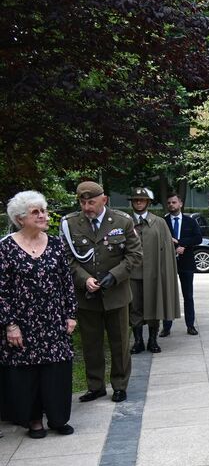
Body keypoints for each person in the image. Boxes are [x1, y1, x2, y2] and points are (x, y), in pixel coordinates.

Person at [1, 191, 77, 438]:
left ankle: (58, 418)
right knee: (27, 373)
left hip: (53, 319)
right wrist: (10, 325)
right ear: (20, 218)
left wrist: (70, 314)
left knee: (57, 370)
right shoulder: (5, 248)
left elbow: (66, 282)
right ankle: (34, 420)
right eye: (36, 212)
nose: (43, 215)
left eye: (43, 210)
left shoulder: (55, 243)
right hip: (22, 323)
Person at [63, 181, 142, 403]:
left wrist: (114, 276)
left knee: (119, 344)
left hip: (116, 294)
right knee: (91, 344)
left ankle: (119, 385)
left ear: (104, 200)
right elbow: (67, 258)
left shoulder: (122, 221)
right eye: (83, 202)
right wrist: (84, 279)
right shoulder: (71, 224)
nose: (87, 207)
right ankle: (95, 386)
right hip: (87, 296)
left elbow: (135, 255)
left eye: (92, 202)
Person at [127, 187, 179, 353]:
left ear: (148, 202)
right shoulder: (125, 222)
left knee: (154, 306)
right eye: (135, 200)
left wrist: (165, 272)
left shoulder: (159, 222)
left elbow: (167, 249)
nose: (139, 202)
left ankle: (153, 340)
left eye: (142, 200)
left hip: (154, 273)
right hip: (132, 273)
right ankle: (138, 341)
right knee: (135, 308)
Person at [161, 192, 202, 336]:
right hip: (168, 263)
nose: (171, 205)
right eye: (169, 203)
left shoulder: (190, 221)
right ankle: (166, 327)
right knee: (168, 295)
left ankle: (190, 325)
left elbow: (198, 238)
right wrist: (172, 246)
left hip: (186, 262)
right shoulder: (162, 222)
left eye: (174, 202)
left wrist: (182, 244)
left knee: (188, 296)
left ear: (180, 204)